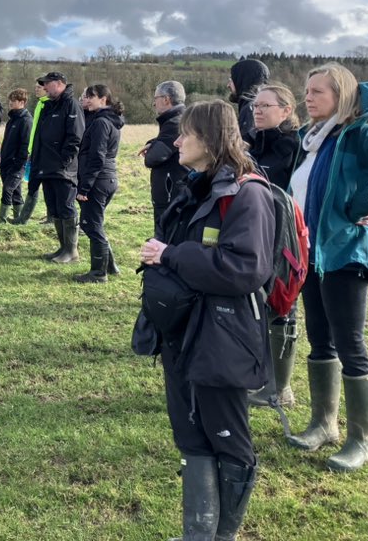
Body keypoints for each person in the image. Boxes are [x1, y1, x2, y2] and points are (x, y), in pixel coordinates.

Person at [139, 100, 275, 541]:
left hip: (222, 335)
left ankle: (225, 534)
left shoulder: (248, 194)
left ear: (212, 139)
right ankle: (199, 533)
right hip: (183, 332)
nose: (176, 141)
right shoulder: (195, 186)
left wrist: (170, 254)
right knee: (191, 434)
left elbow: (246, 269)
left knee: (227, 436)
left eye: (186, 134)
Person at [285, 63, 368, 472]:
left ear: (341, 97)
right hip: (312, 255)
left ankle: (361, 440)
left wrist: (358, 205)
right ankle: (323, 424)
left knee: (351, 344)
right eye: (307, 91)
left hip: (345, 254)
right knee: (320, 340)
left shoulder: (359, 135)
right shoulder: (310, 141)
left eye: (318, 92)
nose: (308, 98)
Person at [247, 82, 301, 407]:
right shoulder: (253, 145)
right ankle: (258, 376)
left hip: (285, 239)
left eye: (266, 105)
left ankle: (280, 389)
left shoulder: (295, 147)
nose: (258, 110)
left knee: (283, 305)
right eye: (256, 105)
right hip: (254, 233)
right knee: (256, 304)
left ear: (286, 110)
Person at [33, 71, 85, 263]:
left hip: (64, 170)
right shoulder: (48, 106)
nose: (45, 87)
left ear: (60, 83)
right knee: (54, 208)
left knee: (66, 207)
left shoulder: (71, 105)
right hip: (47, 168)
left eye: (48, 83)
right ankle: (63, 248)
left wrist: (64, 162)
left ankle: (72, 251)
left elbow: (75, 137)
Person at [73, 84, 123, 283]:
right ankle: (109, 267)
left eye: (90, 97)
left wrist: (85, 187)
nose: (86, 100)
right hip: (107, 178)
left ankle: (98, 273)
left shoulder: (102, 123)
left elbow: (97, 157)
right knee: (96, 223)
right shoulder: (108, 119)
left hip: (98, 180)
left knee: (91, 225)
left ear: (103, 99)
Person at [140, 80, 187, 235]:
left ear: (166, 99)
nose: (154, 103)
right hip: (174, 191)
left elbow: (152, 158)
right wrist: (154, 142)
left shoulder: (174, 123)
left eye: (156, 98)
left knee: (165, 237)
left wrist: (152, 147)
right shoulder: (181, 120)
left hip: (170, 193)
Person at [11, 80, 49, 225]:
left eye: (39, 87)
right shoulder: (40, 104)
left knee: (45, 186)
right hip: (35, 151)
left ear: (47, 88)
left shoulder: (48, 104)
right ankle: (23, 218)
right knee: (34, 184)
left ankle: (49, 217)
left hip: (44, 153)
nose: (36, 89)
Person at [0, 88, 32, 224]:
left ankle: (2, 219)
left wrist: (19, 164)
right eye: (10, 100)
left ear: (22, 102)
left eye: (14, 101)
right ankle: (20, 220)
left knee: (8, 189)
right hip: (6, 162)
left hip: (17, 164)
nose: (10, 103)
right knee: (16, 192)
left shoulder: (26, 121)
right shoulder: (12, 119)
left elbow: (25, 145)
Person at [229, 58, 270, 144]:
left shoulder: (251, 109)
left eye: (231, 80)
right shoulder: (265, 106)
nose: (228, 85)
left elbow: (244, 150)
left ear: (241, 80)